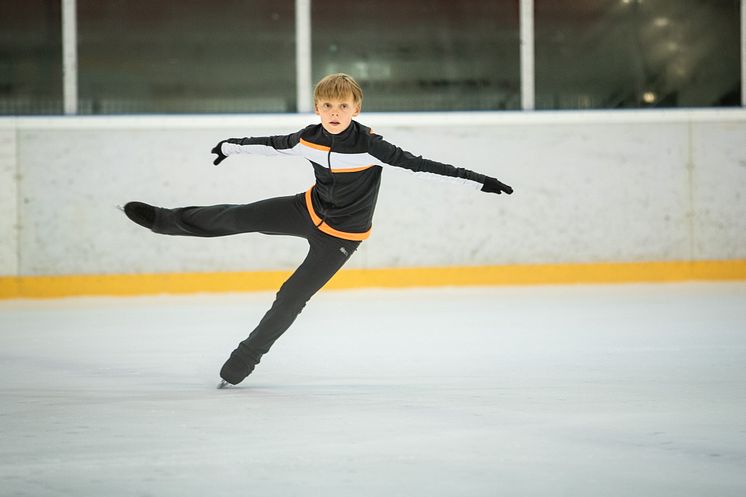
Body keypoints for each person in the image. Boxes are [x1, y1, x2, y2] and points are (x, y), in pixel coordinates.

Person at [123, 73, 513, 387]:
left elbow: (423, 166)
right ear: (317, 107)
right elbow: (274, 144)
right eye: (327, 105)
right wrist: (230, 146)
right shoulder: (310, 136)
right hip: (305, 209)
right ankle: (163, 220)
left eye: (343, 105)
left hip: (341, 238)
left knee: (290, 296)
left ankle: (242, 361)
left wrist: (479, 180)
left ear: (356, 109)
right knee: (239, 215)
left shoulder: (372, 147)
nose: (335, 111)